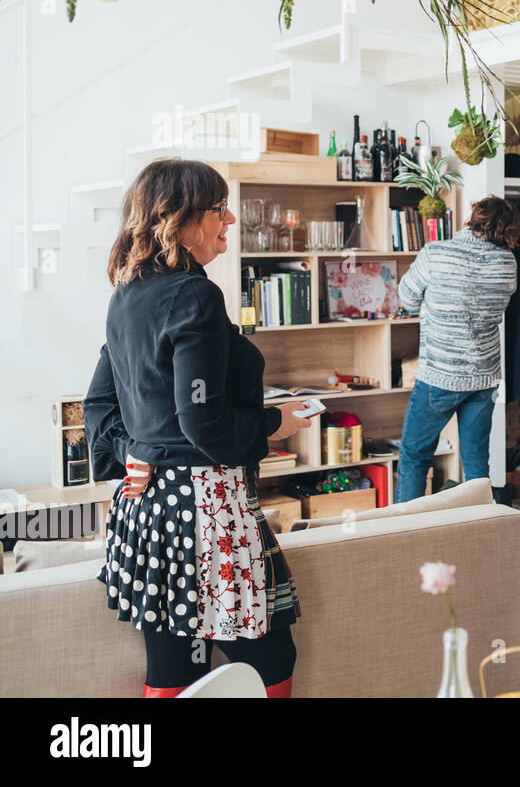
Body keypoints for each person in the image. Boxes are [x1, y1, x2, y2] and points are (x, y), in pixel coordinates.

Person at [83, 159, 314, 698]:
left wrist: (131, 451)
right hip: (207, 511)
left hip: (149, 512)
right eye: (217, 209)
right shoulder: (194, 295)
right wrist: (276, 423)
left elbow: (99, 402)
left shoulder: (127, 294)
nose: (230, 219)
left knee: (174, 666)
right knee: (268, 660)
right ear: (178, 218)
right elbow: (203, 420)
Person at [395, 196, 520, 501]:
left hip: (440, 375)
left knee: (414, 457)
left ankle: (401, 532)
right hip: (484, 377)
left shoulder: (436, 253)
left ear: (471, 219)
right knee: (476, 461)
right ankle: (477, 530)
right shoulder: (507, 262)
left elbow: (406, 298)